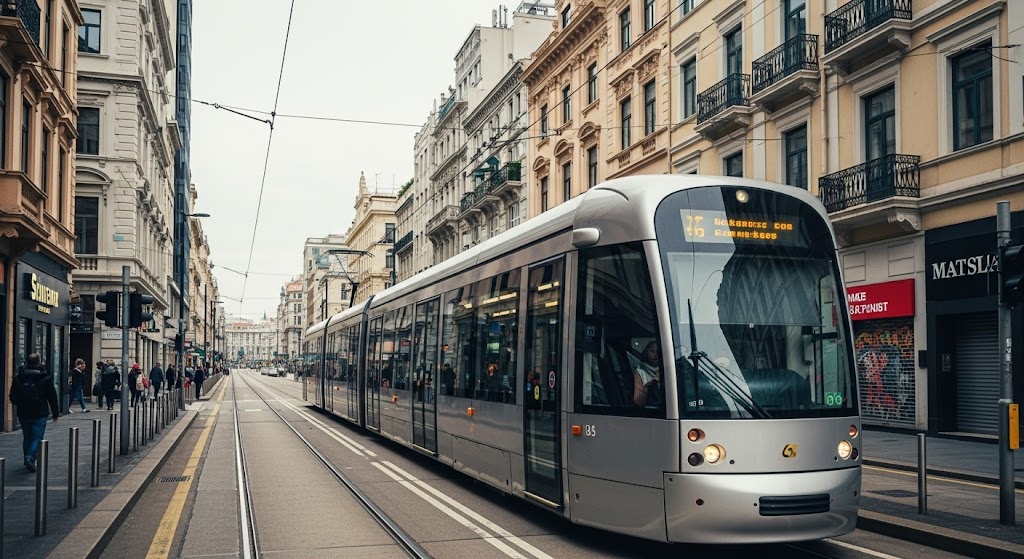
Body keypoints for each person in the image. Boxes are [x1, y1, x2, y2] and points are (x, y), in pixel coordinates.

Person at [9, 353, 59, 471]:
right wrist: (55, 413)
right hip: (40, 412)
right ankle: (30, 457)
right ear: (39, 362)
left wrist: (21, 403)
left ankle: (27, 457)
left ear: (26, 362)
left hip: (23, 413)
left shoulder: (19, 377)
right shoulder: (45, 377)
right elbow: (52, 396)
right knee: (37, 436)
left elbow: (12, 396)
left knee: (27, 437)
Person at [632, 340, 663, 408]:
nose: (656, 355)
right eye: (652, 351)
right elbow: (638, 401)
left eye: (658, 352)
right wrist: (651, 384)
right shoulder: (639, 372)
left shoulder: (666, 371)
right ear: (646, 352)